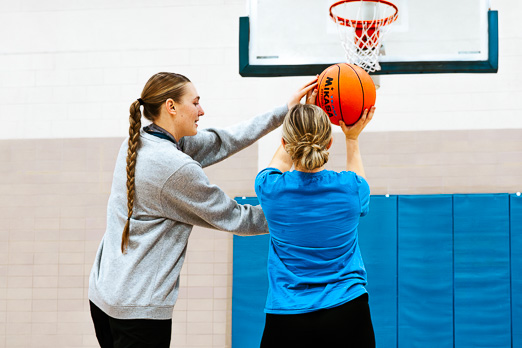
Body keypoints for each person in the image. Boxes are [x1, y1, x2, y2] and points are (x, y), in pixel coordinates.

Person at [88, 72, 318, 348]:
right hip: (138, 312)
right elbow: (236, 217)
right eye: (195, 103)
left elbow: (225, 140)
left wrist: (286, 111)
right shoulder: (174, 168)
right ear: (171, 106)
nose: (202, 110)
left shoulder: (138, 142)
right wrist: (298, 214)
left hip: (105, 295)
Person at [254, 101, 376, 347]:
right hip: (348, 311)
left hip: (288, 318)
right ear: (329, 143)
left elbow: (279, 163)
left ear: (286, 144)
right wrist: (352, 138)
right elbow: (358, 178)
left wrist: (293, 114)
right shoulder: (353, 189)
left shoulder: (269, 188)